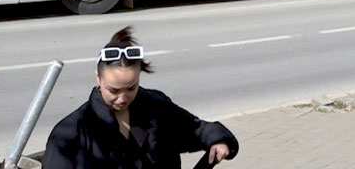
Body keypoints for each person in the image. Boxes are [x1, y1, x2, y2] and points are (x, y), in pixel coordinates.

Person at [43, 26, 238, 169]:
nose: (122, 98)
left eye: (131, 87)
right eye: (113, 90)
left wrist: (218, 139)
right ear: (98, 77)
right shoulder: (72, 131)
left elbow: (194, 129)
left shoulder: (156, 107)